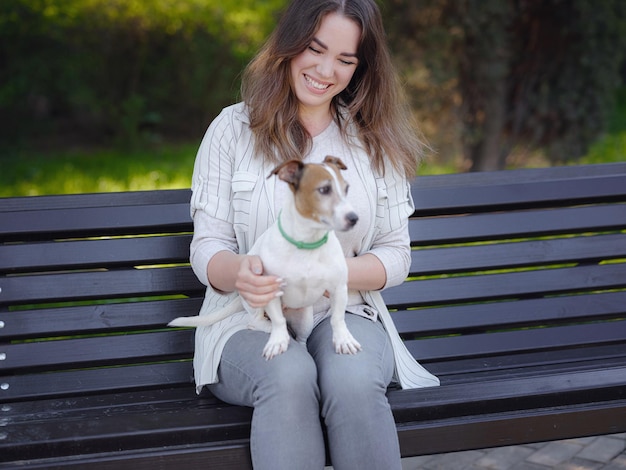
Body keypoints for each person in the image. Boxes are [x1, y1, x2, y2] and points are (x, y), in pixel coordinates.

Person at [188, 0, 440, 468]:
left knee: (351, 379)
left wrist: (324, 272)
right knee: (287, 374)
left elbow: (396, 255)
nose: (326, 70)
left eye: (345, 60)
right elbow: (207, 246)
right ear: (289, 44)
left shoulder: (371, 142)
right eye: (315, 49)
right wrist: (240, 271)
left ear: (361, 68)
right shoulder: (231, 130)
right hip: (246, 318)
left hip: (344, 315)